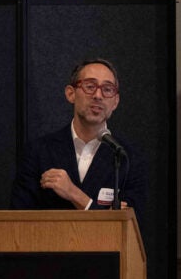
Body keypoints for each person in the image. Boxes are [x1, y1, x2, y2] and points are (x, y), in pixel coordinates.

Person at [10, 58, 146, 211]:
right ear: (70, 94)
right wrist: (104, 213)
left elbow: (129, 225)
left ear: (115, 102)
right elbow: (20, 220)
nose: (98, 95)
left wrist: (74, 194)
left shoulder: (127, 156)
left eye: (107, 89)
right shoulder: (38, 152)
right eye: (90, 86)